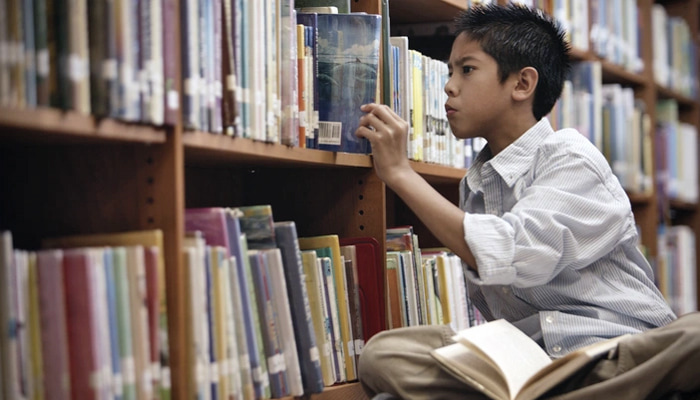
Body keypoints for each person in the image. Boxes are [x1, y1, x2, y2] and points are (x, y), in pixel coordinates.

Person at [354, 3, 687, 399]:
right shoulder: (476, 184)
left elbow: (510, 250)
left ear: (522, 84)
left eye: (467, 69)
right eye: (449, 72)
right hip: (532, 361)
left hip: (611, 350)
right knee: (383, 355)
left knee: (693, 336)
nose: (449, 86)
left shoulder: (568, 155)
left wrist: (400, 173)